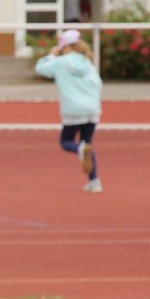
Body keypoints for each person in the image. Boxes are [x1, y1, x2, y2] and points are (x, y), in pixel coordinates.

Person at [35, 29, 103, 193]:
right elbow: (98, 84)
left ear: (65, 47)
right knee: (87, 145)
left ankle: (79, 150)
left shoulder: (61, 62)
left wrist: (51, 55)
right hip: (92, 109)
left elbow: (40, 69)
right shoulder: (87, 62)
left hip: (73, 110)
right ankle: (94, 181)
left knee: (66, 142)